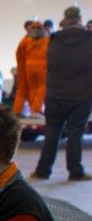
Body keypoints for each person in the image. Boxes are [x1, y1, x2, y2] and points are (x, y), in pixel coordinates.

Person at [32, 6, 92, 181]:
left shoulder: (53, 39)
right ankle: (75, 171)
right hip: (81, 95)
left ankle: (42, 171)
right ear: (80, 20)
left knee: (51, 133)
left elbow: (47, 65)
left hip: (55, 94)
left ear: (64, 20)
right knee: (76, 134)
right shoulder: (89, 38)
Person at [14, 21, 50, 117]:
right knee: (42, 88)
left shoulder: (25, 41)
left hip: (28, 67)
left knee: (31, 89)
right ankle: (36, 110)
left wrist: (21, 65)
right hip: (42, 67)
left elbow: (18, 54)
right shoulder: (47, 40)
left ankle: (25, 110)